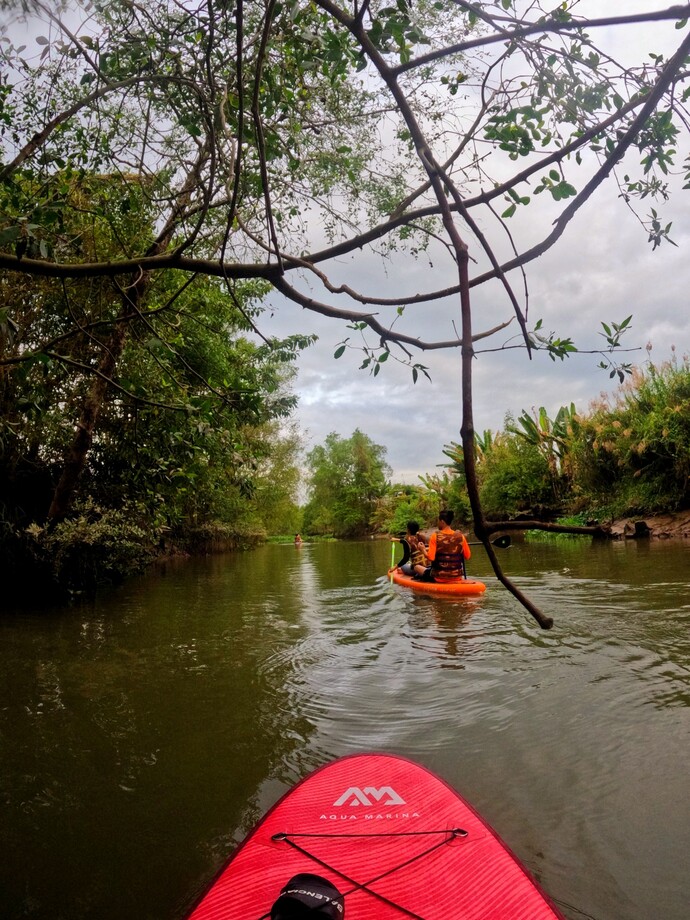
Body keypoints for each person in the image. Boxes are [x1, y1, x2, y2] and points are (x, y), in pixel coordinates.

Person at [414, 509, 470, 581]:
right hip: (457, 576)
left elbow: (431, 558)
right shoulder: (461, 537)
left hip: (438, 577)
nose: (438, 523)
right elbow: (467, 556)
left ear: (442, 522)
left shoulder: (435, 536)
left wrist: (423, 550)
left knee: (416, 567)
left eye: (438, 521)